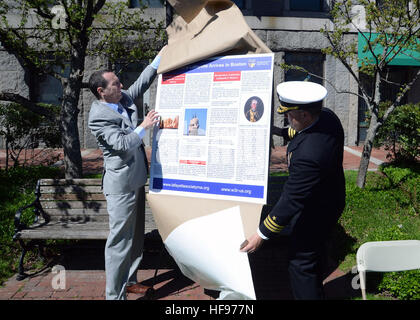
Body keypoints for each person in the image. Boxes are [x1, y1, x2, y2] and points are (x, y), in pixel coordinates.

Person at [240, 81, 346, 300]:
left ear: (305, 114)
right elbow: (298, 131)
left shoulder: (310, 155)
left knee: (301, 264)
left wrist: (261, 234)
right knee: (315, 255)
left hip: (316, 210)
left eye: (289, 115)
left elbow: (290, 201)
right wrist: (274, 131)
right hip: (330, 199)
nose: (286, 118)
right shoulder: (326, 117)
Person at [88, 51, 163, 300]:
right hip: (121, 186)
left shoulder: (120, 98)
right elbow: (121, 144)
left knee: (136, 237)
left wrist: (158, 59)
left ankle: (130, 281)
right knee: (119, 241)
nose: (121, 86)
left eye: (119, 82)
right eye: (115, 83)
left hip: (137, 179)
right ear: (101, 91)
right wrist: (144, 126)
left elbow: (141, 82)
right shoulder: (99, 116)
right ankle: (114, 296)